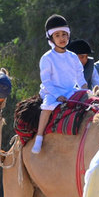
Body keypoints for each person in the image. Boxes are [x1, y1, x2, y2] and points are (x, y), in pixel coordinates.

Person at [32, 14, 88, 154]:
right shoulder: (47, 58)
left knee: (91, 102)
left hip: (70, 90)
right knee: (47, 107)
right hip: (52, 90)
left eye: (64, 34)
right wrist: (57, 95)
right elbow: (46, 82)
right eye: (57, 35)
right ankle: (39, 137)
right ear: (51, 39)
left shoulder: (73, 56)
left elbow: (79, 76)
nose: (62, 38)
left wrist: (85, 88)